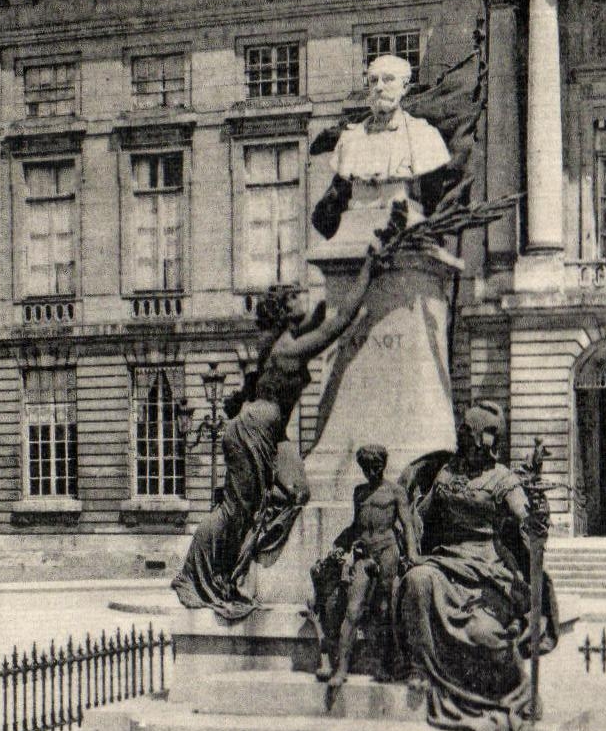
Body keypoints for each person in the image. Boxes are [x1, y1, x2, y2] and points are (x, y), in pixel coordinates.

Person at [172, 250, 378, 619]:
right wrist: (368, 268)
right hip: (252, 430)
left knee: (297, 492)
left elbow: (321, 316)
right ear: (285, 309)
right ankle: (191, 575)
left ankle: (245, 559)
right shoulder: (289, 349)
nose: (306, 296)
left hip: (273, 431)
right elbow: (339, 321)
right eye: (297, 294)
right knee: (235, 509)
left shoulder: (283, 339)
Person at [395, 402, 557, 731]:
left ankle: (503, 691)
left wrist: (533, 525)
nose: (471, 443)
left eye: (475, 437)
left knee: (486, 632)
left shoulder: (502, 478)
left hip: (487, 566)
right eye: (468, 436)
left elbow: (523, 516)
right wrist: (407, 525)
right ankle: (422, 667)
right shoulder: (446, 473)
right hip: (446, 560)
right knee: (418, 581)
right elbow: (422, 515)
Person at [312, 53, 451, 252]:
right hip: (355, 227)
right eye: (373, 80)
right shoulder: (349, 139)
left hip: (402, 221)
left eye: (388, 79)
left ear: (405, 87)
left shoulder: (424, 136)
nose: (379, 87)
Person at [310, 444, 420, 694]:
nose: (371, 471)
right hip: (365, 553)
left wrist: (412, 553)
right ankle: (342, 668)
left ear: (383, 465)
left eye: (376, 466)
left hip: (387, 552)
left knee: (384, 608)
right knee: (352, 610)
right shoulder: (359, 493)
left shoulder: (396, 492)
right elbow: (356, 525)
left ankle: (384, 664)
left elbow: (407, 525)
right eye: (367, 467)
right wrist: (340, 543)